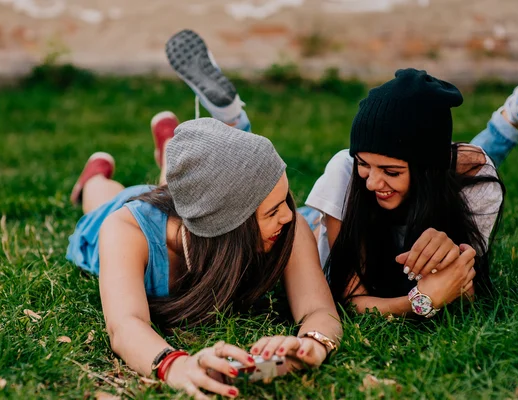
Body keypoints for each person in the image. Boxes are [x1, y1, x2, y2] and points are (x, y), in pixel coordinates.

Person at [164, 30, 518, 318]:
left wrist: (454, 255)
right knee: (251, 198)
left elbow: (465, 298)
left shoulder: (477, 185)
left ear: (427, 170)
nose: (371, 182)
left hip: (442, 177)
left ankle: (510, 116)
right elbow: (350, 298)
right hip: (312, 228)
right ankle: (232, 120)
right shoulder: (344, 173)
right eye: (364, 164)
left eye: (390, 170)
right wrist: (421, 301)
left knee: (472, 164)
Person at [66, 117, 342, 399]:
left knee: (188, 189)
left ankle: (169, 157)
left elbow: (319, 311)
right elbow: (125, 324)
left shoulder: (288, 226)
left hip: (192, 212)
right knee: (101, 201)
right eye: (271, 212)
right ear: (227, 227)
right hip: (129, 209)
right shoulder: (126, 231)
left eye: (285, 200)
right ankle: (94, 177)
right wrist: (175, 365)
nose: (287, 215)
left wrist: (313, 344)